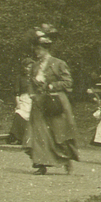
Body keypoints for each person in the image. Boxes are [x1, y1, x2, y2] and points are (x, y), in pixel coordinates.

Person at [24, 24, 80, 175]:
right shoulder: (35, 66)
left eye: (39, 50)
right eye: (36, 50)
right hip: (39, 103)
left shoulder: (58, 63)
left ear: (46, 50)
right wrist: (31, 93)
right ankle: (41, 164)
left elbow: (68, 82)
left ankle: (66, 160)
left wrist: (51, 86)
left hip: (55, 103)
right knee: (39, 133)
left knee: (58, 134)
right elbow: (29, 81)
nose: (37, 53)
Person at [7, 57, 34, 145]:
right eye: (26, 67)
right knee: (20, 114)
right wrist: (18, 103)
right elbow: (16, 93)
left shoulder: (35, 77)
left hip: (33, 99)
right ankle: (18, 138)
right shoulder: (20, 77)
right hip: (23, 99)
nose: (27, 69)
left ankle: (30, 139)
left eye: (30, 67)